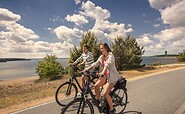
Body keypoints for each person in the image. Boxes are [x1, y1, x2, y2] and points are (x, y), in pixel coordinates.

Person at [84, 43, 121, 114]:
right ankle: (98, 101)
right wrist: (86, 69)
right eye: (100, 48)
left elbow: (107, 64)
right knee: (96, 86)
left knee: (105, 93)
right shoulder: (101, 57)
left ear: (106, 48)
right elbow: (95, 63)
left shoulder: (111, 55)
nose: (101, 50)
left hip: (112, 77)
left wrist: (102, 72)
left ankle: (112, 109)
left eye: (102, 48)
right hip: (104, 76)